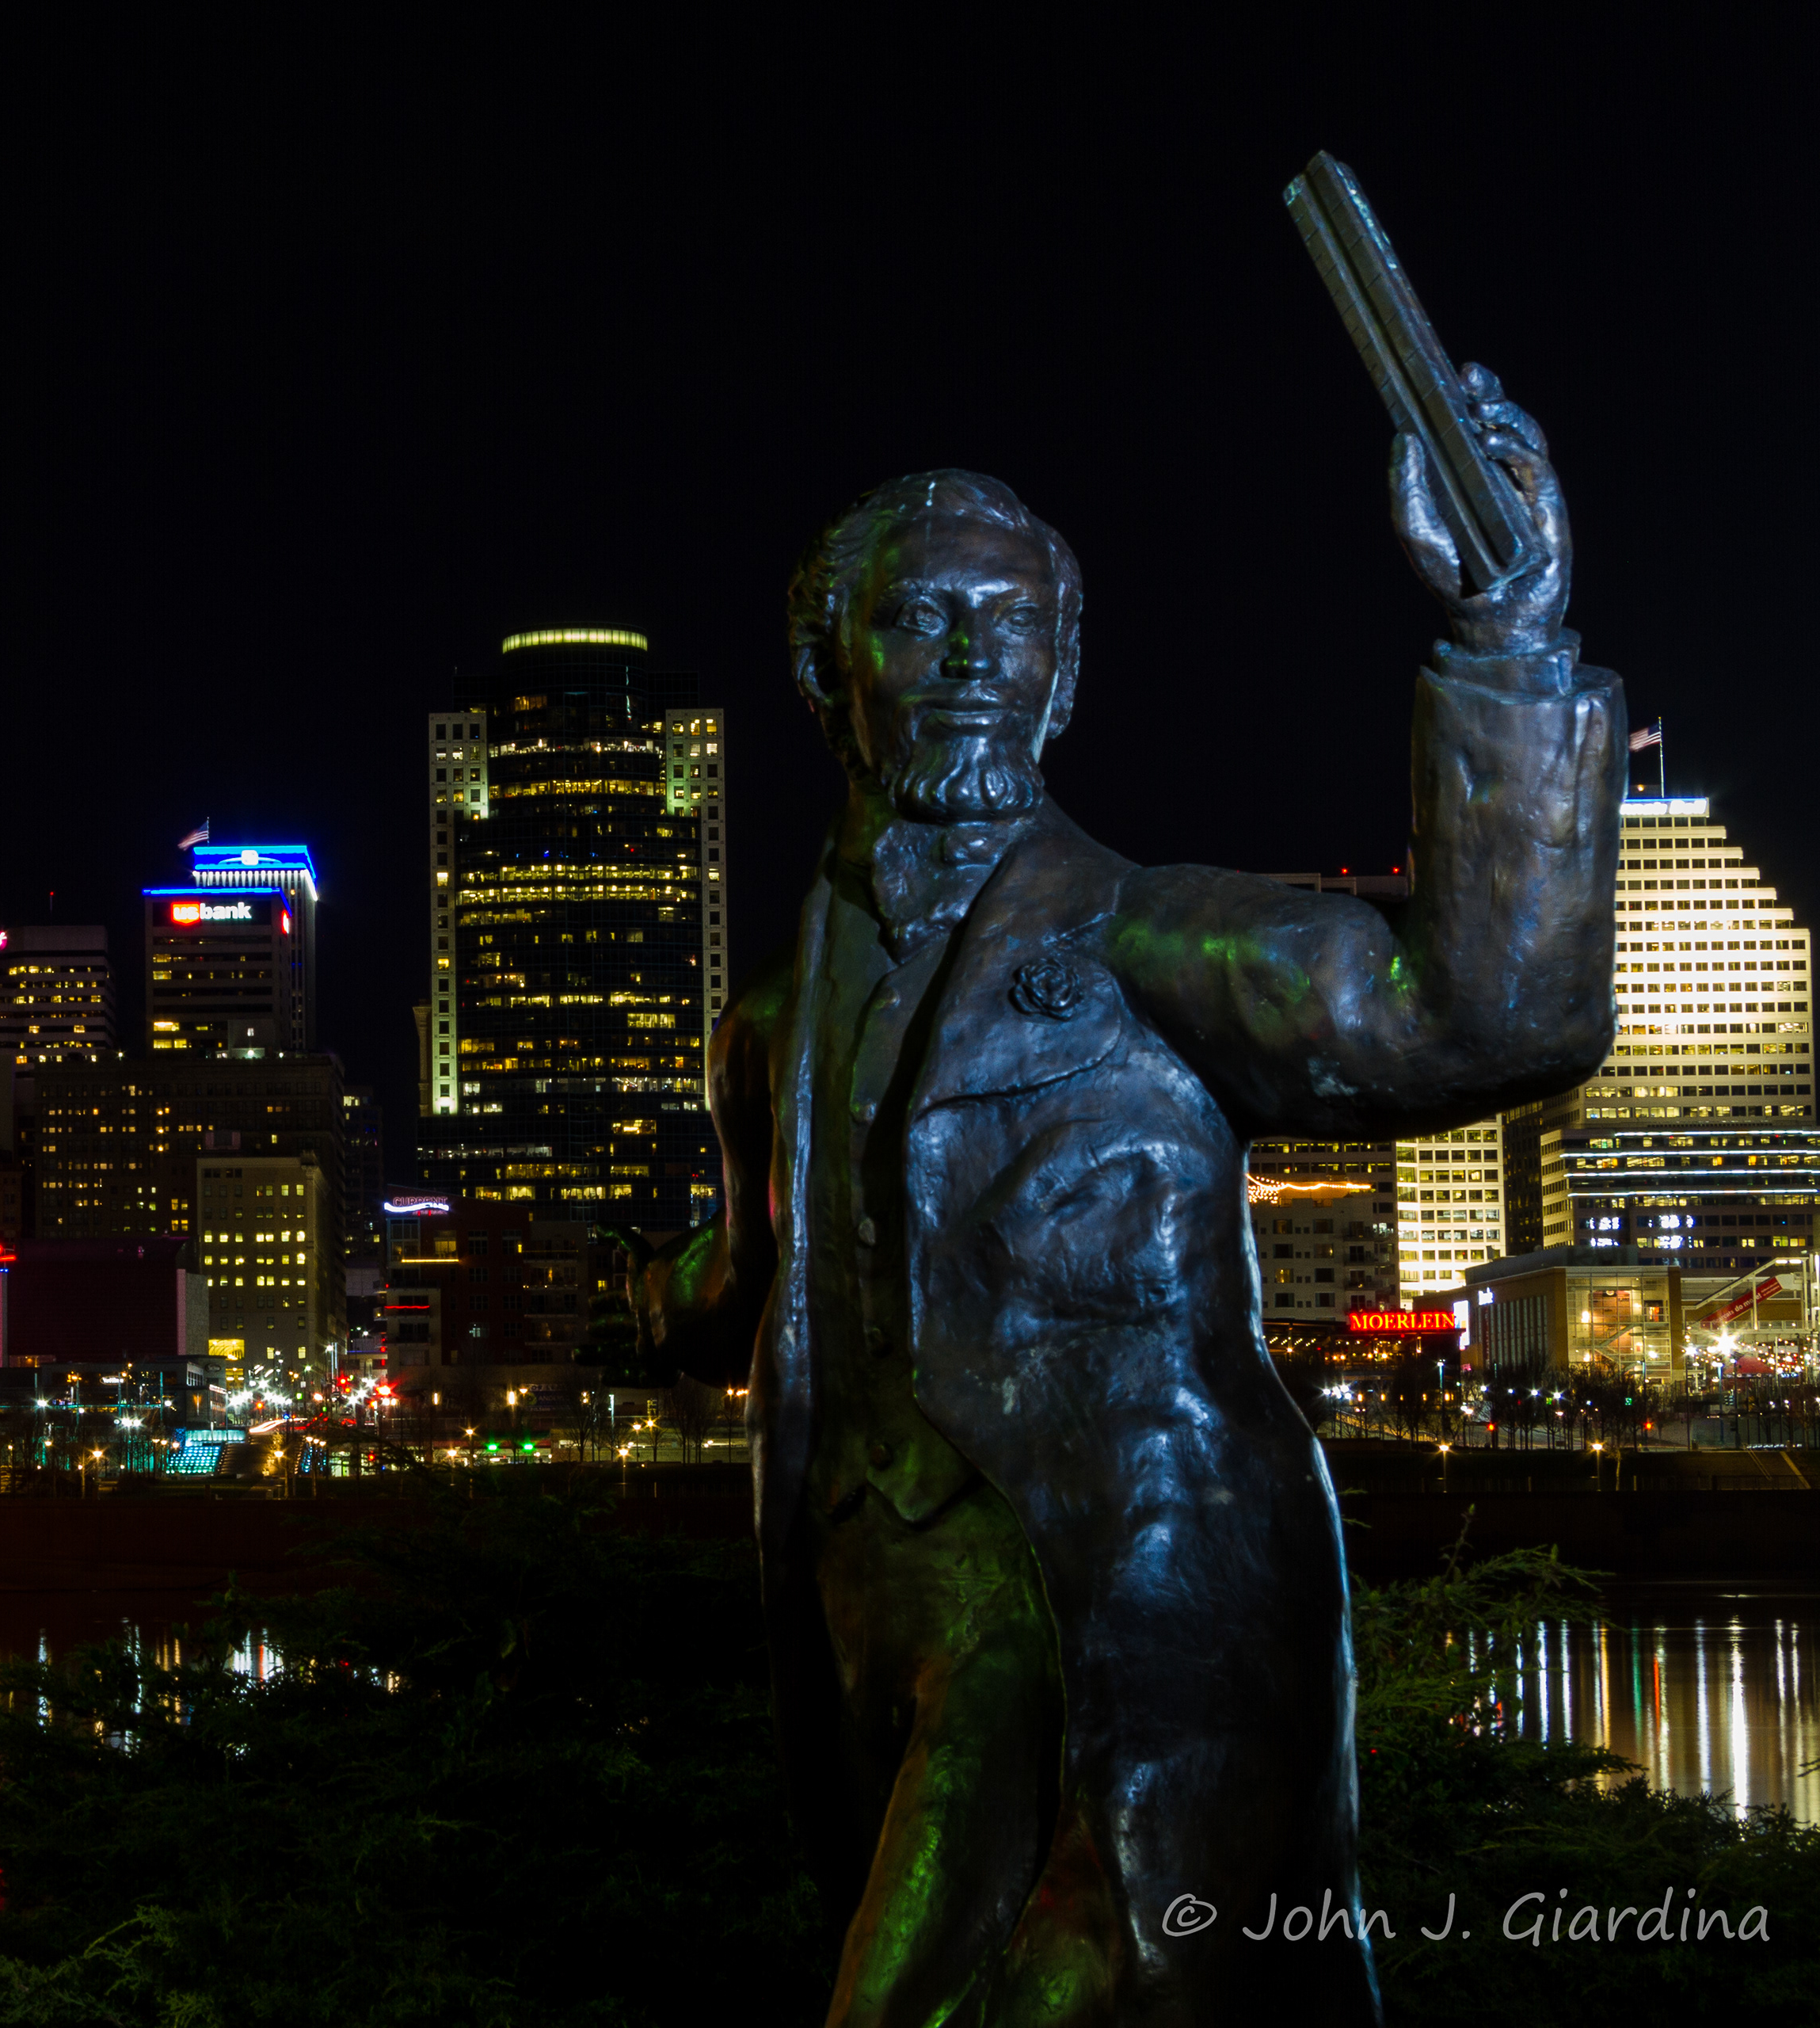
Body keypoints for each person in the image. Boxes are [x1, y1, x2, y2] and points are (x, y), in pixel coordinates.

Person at [630, 369, 1620, 2024]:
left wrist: (1508, 637)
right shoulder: (766, 1029)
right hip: (900, 1619)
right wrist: (649, 1299)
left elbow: (1486, 1014)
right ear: (829, 667)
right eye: (922, 620)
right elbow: (748, 1285)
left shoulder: (1147, 942)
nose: (968, 663)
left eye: (1009, 627)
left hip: (1161, 1594)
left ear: (1063, 671)